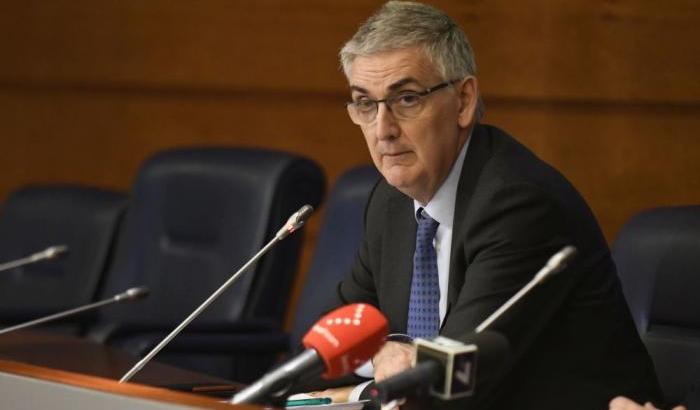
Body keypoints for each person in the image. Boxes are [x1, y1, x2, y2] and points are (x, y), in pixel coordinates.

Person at [323, 1, 663, 409]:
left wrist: (366, 383)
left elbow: (452, 381)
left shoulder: (517, 204)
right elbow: (331, 340)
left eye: (407, 99)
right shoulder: (390, 202)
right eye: (365, 104)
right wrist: (382, 353)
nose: (383, 130)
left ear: (463, 101)